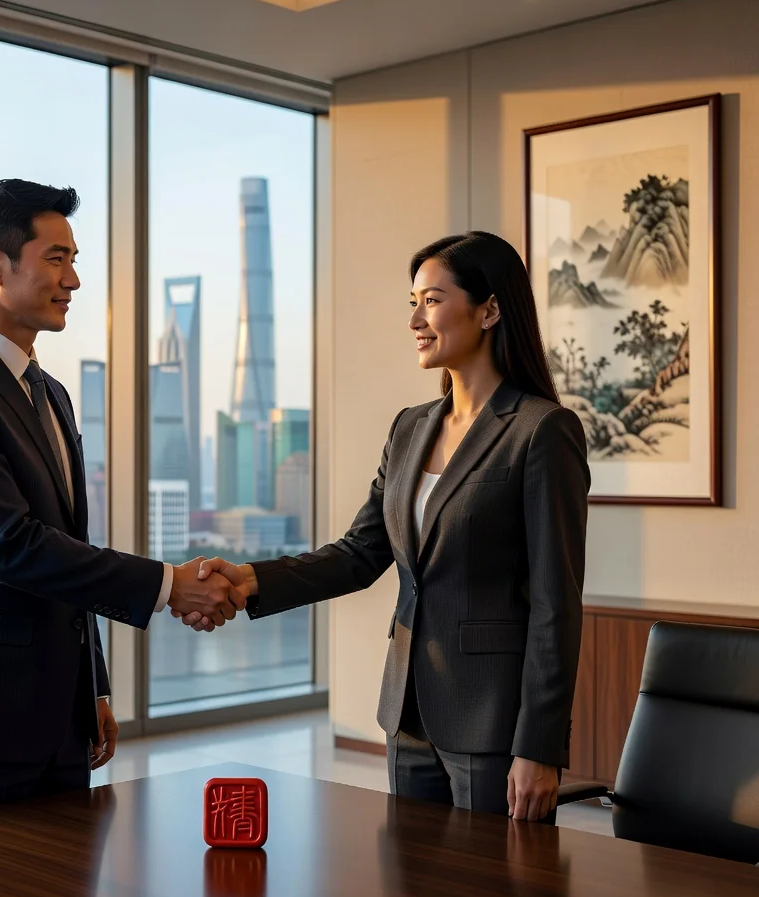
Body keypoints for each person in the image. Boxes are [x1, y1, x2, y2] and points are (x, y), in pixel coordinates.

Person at [185, 231, 590, 821]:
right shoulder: (409, 428)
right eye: (412, 302)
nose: (415, 320)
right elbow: (358, 553)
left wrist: (539, 747)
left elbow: (557, 604)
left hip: (494, 719)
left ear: (490, 309)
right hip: (407, 709)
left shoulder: (540, 431)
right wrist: (248, 579)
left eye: (431, 299)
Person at [0, 179, 243, 818]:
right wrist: (170, 584)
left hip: (57, 718)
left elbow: (66, 548)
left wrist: (94, 687)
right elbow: (11, 547)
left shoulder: (50, 393)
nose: (74, 280)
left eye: (74, 260)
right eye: (57, 259)